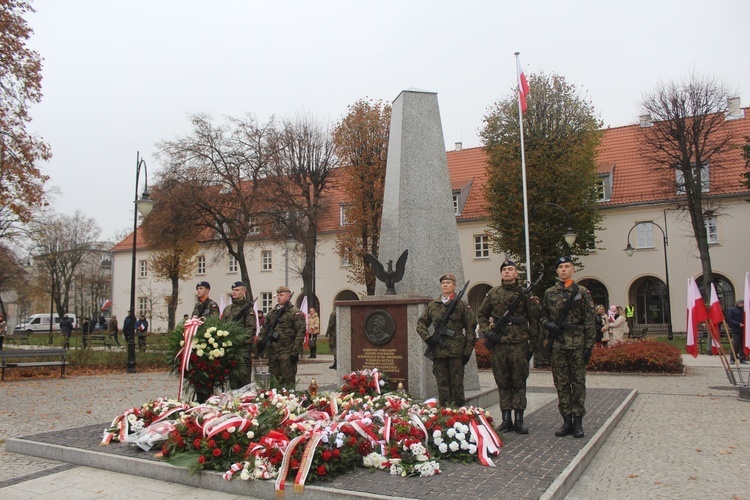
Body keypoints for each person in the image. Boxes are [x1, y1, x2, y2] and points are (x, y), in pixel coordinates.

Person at [477, 260, 540, 433]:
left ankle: (519, 419)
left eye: (510, 269)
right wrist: (486, 332)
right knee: (503, 381)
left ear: (516, 273)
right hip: (499, 344)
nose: (507, 272)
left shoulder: (524, 294)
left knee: (519, 381)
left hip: (519, 343)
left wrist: (532, 345)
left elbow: (534, 319)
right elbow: (482, 314)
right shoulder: (493, 293)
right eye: (504, 269)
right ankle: (506, 419)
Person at [540, 256, 596, 439]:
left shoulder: (582, 291)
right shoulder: (549, 293)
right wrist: (548, 325)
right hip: (558, 345)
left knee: (578, 383)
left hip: (577, 344)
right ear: (557, 271)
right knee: (561, 384)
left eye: (567, 266)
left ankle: (578, 420)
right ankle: (566, 420)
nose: (563, 270)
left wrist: (589, 346)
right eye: (560, 267)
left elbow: (589, 320)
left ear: (573, 269)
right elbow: (542, 316)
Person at [417, 273, 476, 408]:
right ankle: (444, 413)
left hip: (456, 351)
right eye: (443, 282)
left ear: (454, 286)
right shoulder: (433, 305)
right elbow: (421, 323)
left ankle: (459, 414)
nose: (445, 285)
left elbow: (471, 329)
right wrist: (428, 338)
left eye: (448, 282)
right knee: (442, 385)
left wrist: (467, 352)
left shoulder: (461, 305)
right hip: (438, 351)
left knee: (457, 385)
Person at [258, 286, 306, 387]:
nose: (279, 297)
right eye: (278, 295)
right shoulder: (272, 313)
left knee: (288, 382)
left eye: (282, 295)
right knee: (273, 382)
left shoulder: (295, 313)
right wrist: (260, 342)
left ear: (288, 297)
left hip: (287, 352)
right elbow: (265, 329)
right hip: (273, 352)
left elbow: (300, 333)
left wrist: (295, 352)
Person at [221, 281, 258, 387]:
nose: (234, 292)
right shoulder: (227, 309)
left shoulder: (248, 309)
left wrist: (238, 340)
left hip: (242, 349)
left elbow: (250, 328)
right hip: (229, 348)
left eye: (237, 290)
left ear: (244, 292)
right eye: (233, 290)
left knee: (243, 379)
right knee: (231, 379)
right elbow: (222, 325)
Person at [726, 300, 747, 364]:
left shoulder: (745, 310)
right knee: (735, 344)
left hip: (744, 330)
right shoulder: (732, 310)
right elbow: (729, 319)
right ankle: (732, 359)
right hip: (736, 329)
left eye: (743, 303)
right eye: (741, 303)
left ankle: (742, 358)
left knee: (743, 345)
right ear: (737, 304)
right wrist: (738, 324)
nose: (742, 304)